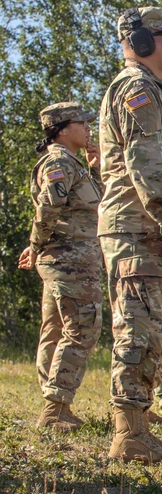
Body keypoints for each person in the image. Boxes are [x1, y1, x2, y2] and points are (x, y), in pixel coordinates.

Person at [99, 6, 162, 462]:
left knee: (152, 332)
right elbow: (146, 164)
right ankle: (128, 435)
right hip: (140, 228)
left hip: (145, 228)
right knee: (137, 331)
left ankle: (137, 429)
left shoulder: (150, 90)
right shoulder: (137, 89)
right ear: (142, 43)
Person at [19, 102, 104, 432]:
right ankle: (55, 408)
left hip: (72, 261)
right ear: (63, 129)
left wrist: (95, 168)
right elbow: (47, 210)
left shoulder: (73, 164)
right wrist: (36, 245)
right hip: (68, 261)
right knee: (82, 330)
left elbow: (93, 205)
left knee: (56, 329)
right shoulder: (58, 163)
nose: (88, 129)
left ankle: (53, 403)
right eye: (82, 123)